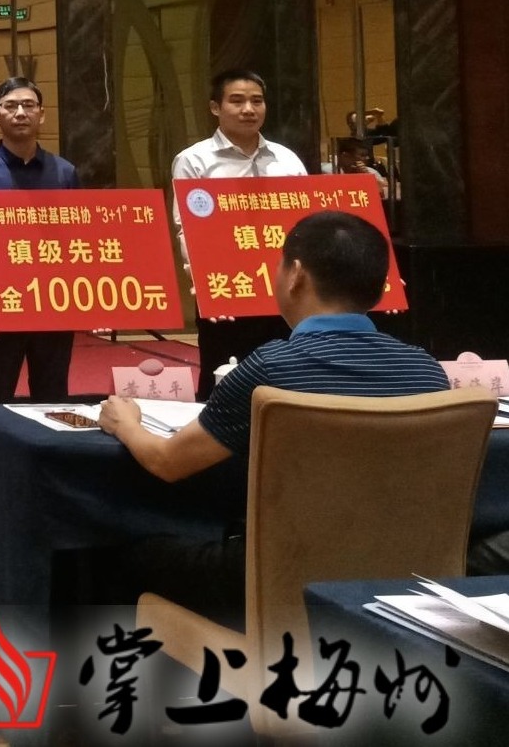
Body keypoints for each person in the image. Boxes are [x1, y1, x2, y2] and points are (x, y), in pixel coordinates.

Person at [96, 211, 448, 624]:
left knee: (111, 553)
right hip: (404, 582)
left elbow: (168, 463)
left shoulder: (271, 368)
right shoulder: (426, 372)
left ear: (296, 275)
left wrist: (125, 424)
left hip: (274, 577)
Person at [170, 69, 310, 395]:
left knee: (285, 377)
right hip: (226, 288)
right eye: (237, 101)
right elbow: (187, 229)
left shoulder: (287, 160)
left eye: (257, 101)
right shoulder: (194, 160)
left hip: (283, 289)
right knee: (224, 380)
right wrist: (207, 285)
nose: (249, 109)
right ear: (215, 107)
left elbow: (306, 225)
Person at [0, 77, 81, 402]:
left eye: (28, 105)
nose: (21, 113)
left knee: (52, 399)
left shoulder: (65, 172)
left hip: (52, 304)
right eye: (10, 106)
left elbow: (77, 241)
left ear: (42, 114)